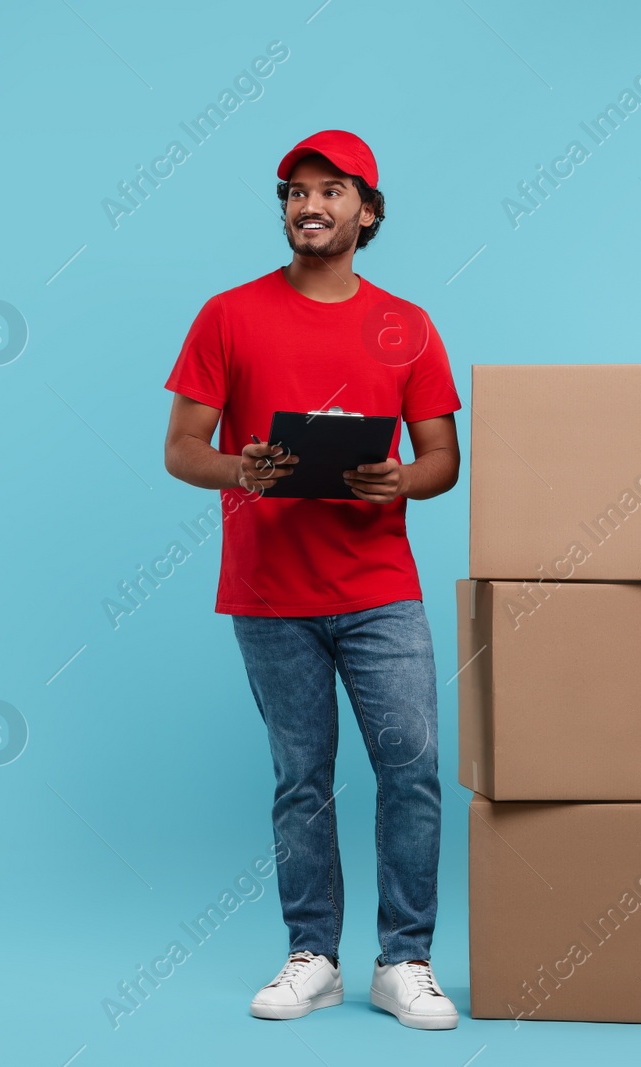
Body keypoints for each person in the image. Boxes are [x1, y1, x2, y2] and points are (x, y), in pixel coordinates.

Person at [161, 130, 462, 1030]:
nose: (311, 205)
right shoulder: (228, 315)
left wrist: (400, 479)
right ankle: (315, 956)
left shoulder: (407, 323)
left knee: (412, 768)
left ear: (366, 212)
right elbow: (182, 447)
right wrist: (238, 469)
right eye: (296, 190)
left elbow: (444, 456)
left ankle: (405, 960)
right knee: (302, 779)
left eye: (332, 191)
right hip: (269, 591)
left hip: (378, 584)